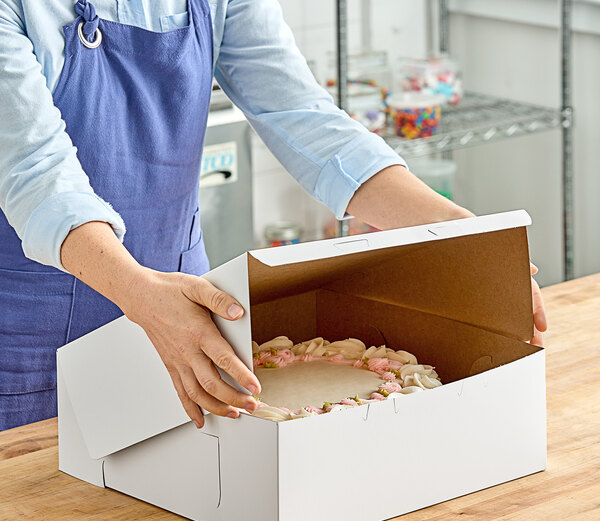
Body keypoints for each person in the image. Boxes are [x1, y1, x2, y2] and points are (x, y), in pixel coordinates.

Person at [0, 0, 547, 431]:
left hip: (187, 307)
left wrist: (461, 232)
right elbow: (36, 173)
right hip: (28, 326)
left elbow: (300, 115)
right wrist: (141, 295)